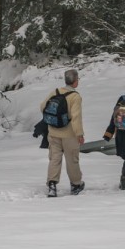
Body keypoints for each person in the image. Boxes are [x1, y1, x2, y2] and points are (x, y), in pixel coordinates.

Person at [40, 69, 85, 197]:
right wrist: (79, 134)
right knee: (72, 160)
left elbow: (42, 106)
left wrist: (52, 120)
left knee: (54, 159)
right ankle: (76, 184)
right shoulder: (75, 97)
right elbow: (76, 118)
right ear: (75, 81)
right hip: (69, 135)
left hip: (53, 132)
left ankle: (52, 185)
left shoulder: (55, 92)